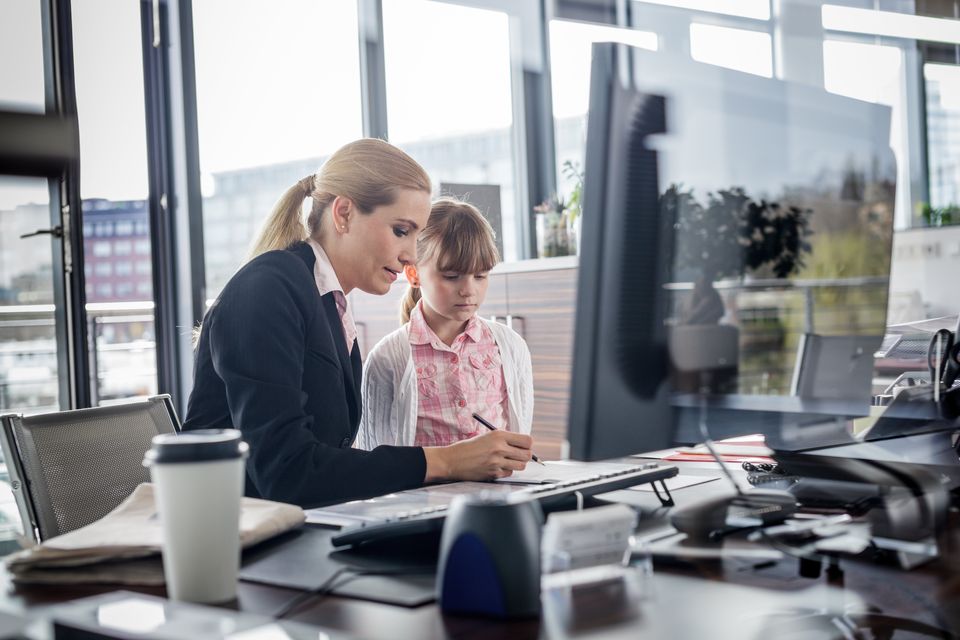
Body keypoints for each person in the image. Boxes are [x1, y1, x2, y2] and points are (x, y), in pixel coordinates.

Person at [182, 139, 534, 508]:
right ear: (344, 214)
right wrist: (447, 461)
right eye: (401, 230)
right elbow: (287, 473)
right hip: (231, 534)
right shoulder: (268, 290)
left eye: (417, 234)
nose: (411, 254)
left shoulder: (326, 304)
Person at [357, 198, 533, 450]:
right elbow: (375, 455)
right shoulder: (388, 359)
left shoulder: (510, 347)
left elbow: (520, 434)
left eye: (481, 276)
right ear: (414, 274)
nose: (469, 291)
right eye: (452, 277)